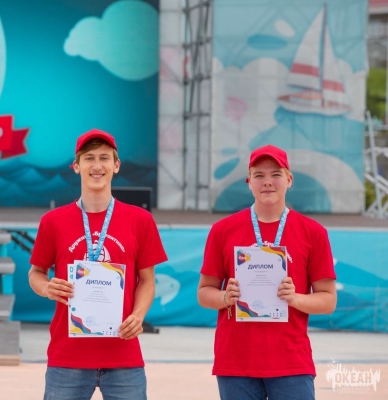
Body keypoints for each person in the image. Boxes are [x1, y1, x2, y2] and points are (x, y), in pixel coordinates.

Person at [28, 128, 168, 400]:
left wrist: (138, 316)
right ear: (76, 166)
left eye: (104, 158)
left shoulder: (140, 220)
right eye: (89, 158)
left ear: (116, 165)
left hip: (123, 354)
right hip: (67, 356)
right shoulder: (53, 221)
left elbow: (147, 280)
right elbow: (36, 273)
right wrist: (46, 288)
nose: (97, 165)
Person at [197, 144, 337, 400]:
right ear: (249, 182)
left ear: (289, 180)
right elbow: (204, 292)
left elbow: (328, 300)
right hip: (236, 361)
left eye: (276, 174)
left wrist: (296, 299)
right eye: (259, 175)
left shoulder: (313, 232)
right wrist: (225, 297)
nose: (268, 182)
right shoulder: (223, 230)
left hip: (291, 361)